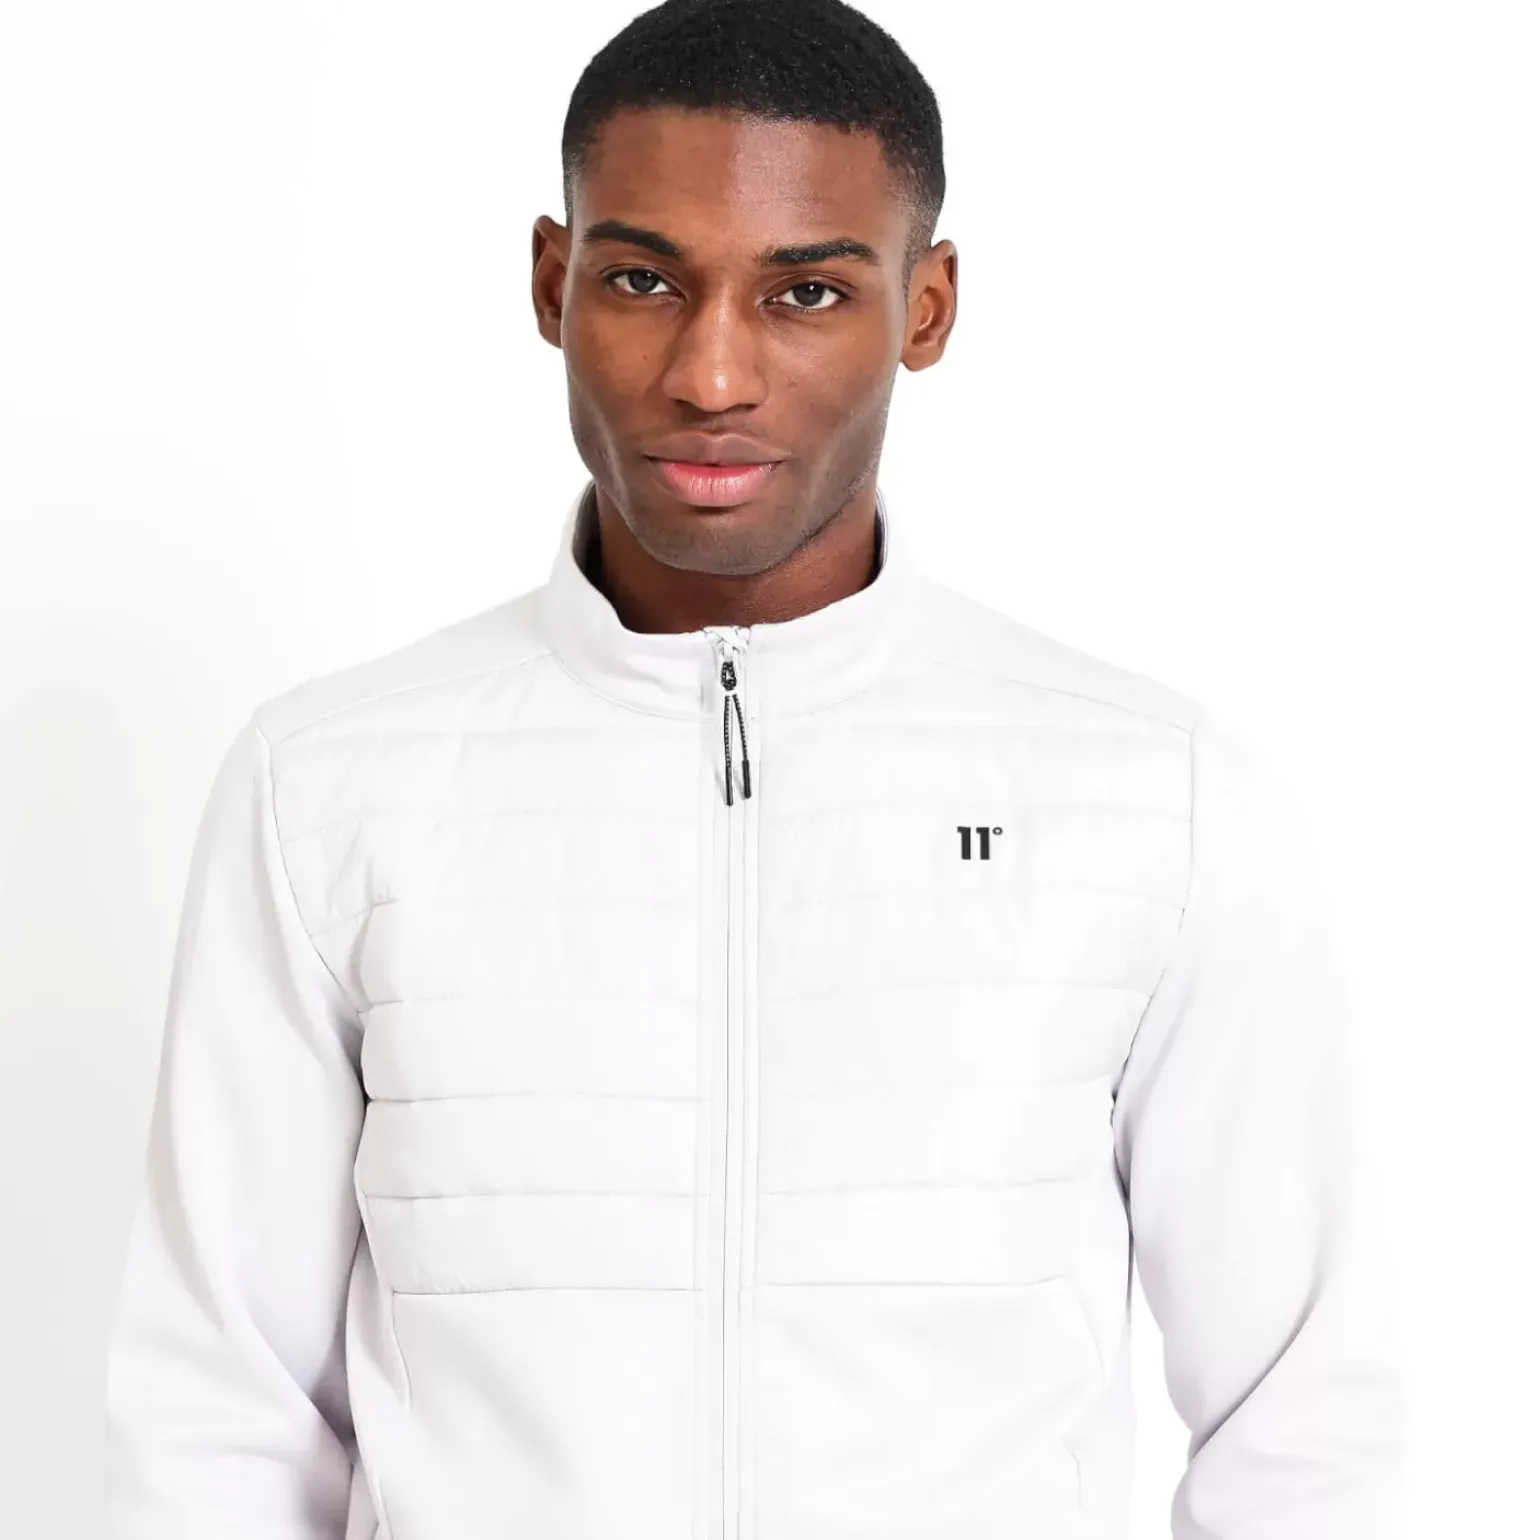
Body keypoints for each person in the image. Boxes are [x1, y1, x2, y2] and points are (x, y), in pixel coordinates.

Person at [103, 2, 1409, 1537]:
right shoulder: (330, 788)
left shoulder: (1148, 799)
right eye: (644, 279)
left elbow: (1302, 1423)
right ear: (552, 281)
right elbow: (217, 1417)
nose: (712, 374)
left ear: (925, 308)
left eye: (805, 292)